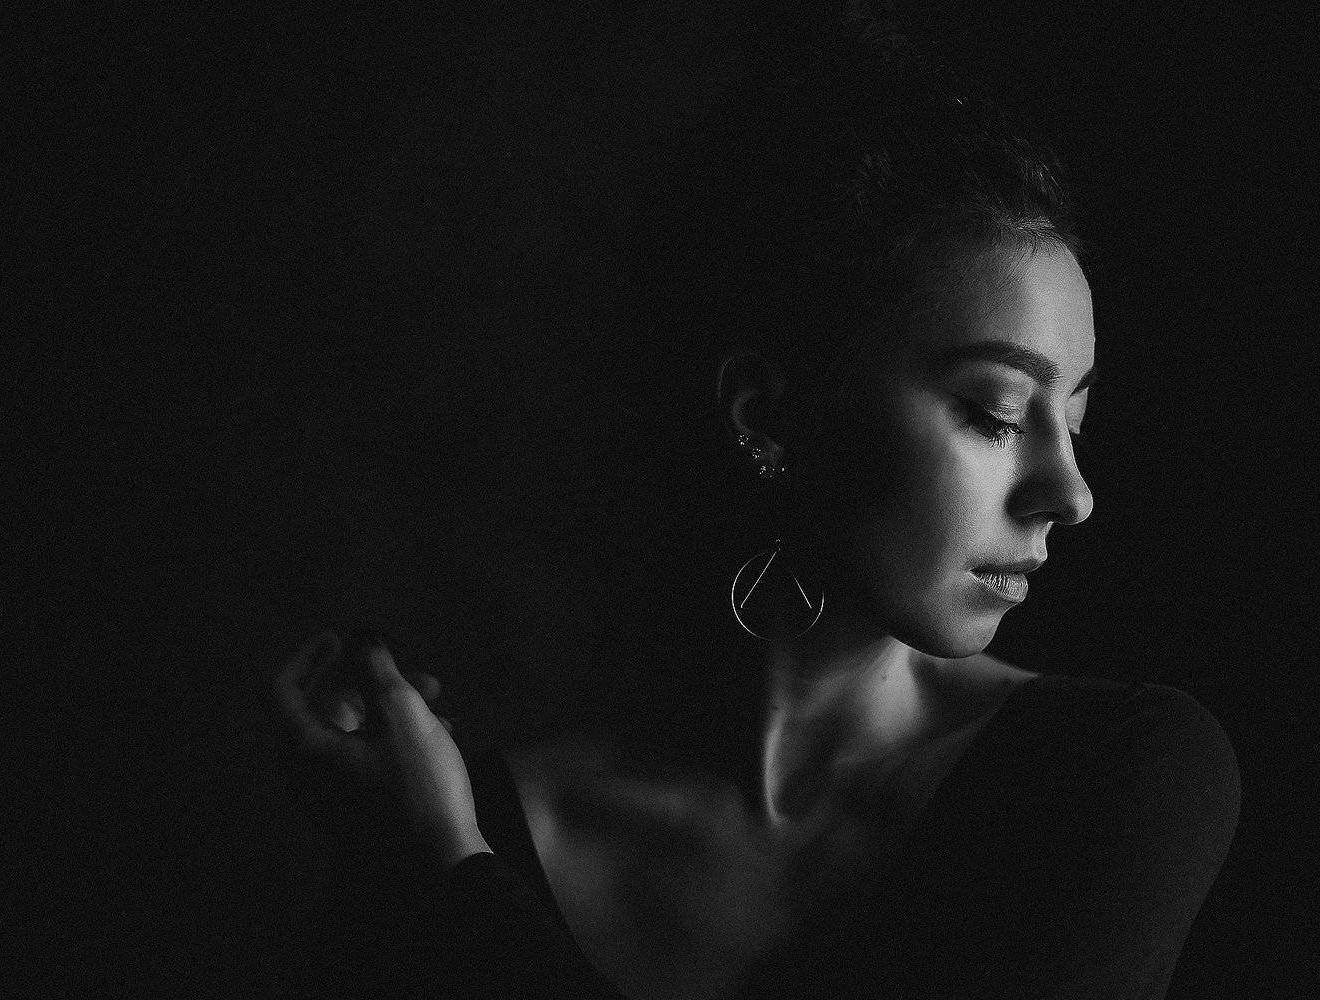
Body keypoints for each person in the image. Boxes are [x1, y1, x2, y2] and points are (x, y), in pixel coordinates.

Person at [265, 9, 1240, 998]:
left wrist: (447, 872)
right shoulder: (468, 817)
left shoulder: (1119, 776)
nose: (1070, 493)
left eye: (1074, 419)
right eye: (994, 413)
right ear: (768, 415)